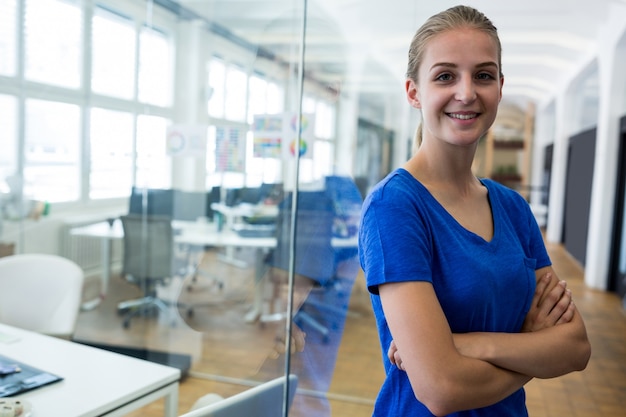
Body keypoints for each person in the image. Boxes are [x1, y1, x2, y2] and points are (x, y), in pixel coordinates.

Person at [358, 5, 591, 417]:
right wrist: (531, 345)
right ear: (414, 92)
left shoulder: (513, 208)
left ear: (499, 87)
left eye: (483, 75)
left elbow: (575, 347)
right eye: (445, 75)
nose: (466, 92)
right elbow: (442, 389)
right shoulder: (394, 207)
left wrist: (468, 344)